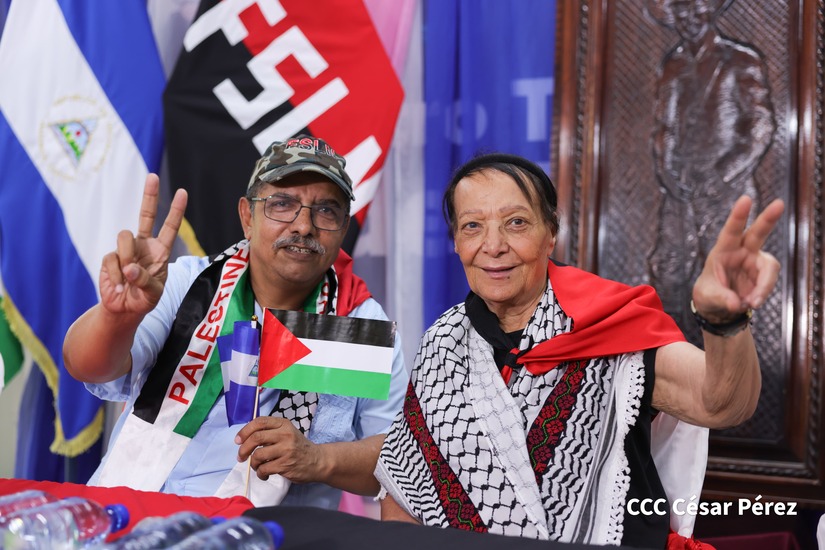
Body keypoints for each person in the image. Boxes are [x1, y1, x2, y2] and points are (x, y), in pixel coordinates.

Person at [375, 153, 783, 548]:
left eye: (516, 222)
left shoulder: (608, 322)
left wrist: (723, 322)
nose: (493, 245)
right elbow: (405, 485)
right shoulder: (443, 344)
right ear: (456, 242)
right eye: (472, 226)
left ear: (551, 233)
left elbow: (722, 404)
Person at [63, 135, 408, 510]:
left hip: (264, 532)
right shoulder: (188, 284)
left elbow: (399, 464)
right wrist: (117, 317)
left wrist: (318, 459)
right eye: (282, 204)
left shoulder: (359, 327)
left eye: (326, 210)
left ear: (343, 228)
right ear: (248, 217)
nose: (304, 226)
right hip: (124, 515)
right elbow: (87, 367)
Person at [648, 0, 775, 339]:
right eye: (680, 11)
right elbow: (664, 126)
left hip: (726, 193)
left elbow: (760, 125)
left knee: (724, 276)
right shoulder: (673, 65)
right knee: (668, 272)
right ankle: (674, 351)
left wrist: (723, 174)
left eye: (695, 8)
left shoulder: (740, 60)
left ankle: (725, 355)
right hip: (681, 192)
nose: (688, 18)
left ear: (710, 10)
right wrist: (667, 171)